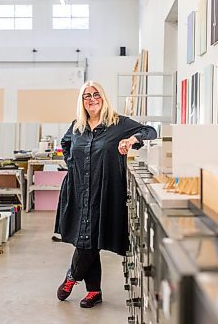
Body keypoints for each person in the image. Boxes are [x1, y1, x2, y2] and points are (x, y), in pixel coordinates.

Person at [54, 81, 157, 308]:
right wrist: (72, 165)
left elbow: (150, 131)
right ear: (82, 101)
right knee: (87, 239)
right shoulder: (77, 126)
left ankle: (72, 277)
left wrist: (132, 140)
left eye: (96, 94)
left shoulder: (118, 124)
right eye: (86, 96)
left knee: (88, 239)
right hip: (79, 190)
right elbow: (65, 143)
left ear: (103, 97)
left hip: (104, 191)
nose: (92, 99)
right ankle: (94, 292)